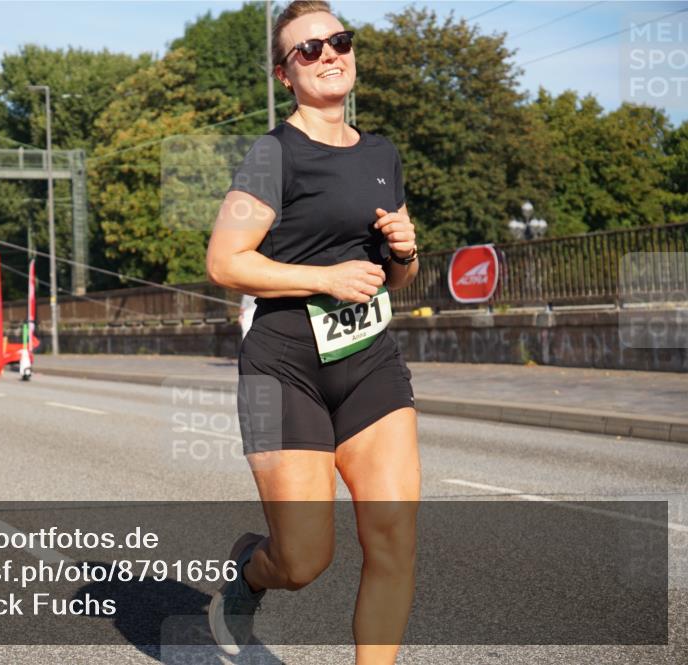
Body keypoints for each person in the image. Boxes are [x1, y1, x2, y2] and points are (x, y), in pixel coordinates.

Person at [205, 2, 420, 661]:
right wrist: (323, 278)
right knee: (302, 561)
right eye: (308, 49)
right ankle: (251, 571)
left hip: (370, 364)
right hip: (283, 370)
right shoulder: (273, 154)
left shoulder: (381, 154)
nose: (329, 54)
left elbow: (397, 278)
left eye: (339, 41)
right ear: (285, 74)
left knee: (393, 539)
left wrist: (406, 252)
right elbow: (224, 262)